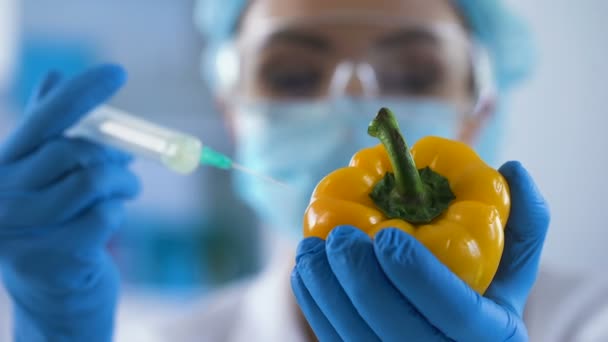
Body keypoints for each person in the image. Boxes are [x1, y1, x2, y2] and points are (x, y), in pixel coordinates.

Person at [0, 0, 607, 341]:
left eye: (414, 74)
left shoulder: (587, 320)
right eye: (292, 76)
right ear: (232, 114)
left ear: (480, 110)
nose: (354, 105)